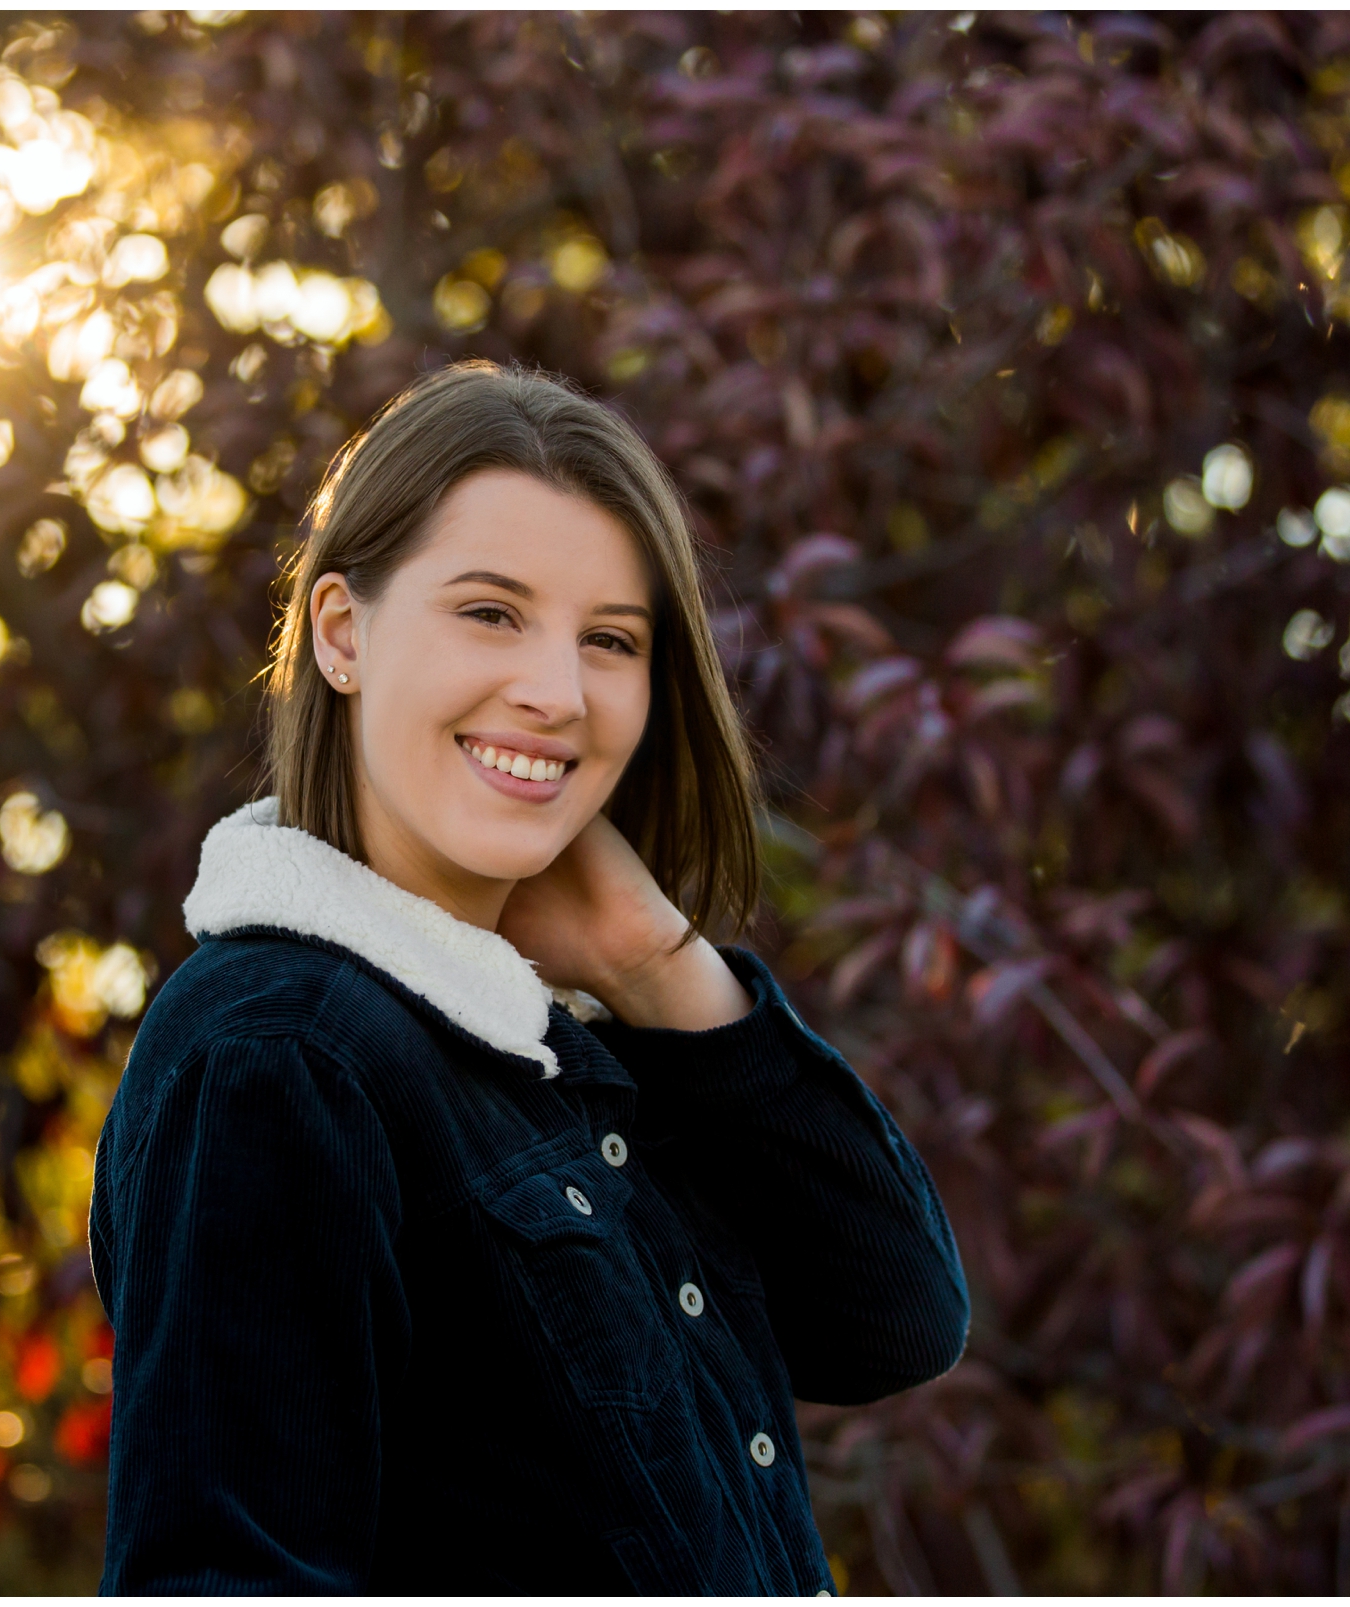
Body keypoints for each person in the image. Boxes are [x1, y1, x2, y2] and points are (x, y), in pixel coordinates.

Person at [89, 358, 969, 1594]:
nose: (556, 693)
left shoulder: (557, 1042)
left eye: (609, 640)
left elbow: (896, 1317)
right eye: (492, 612)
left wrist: (656, 962)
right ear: (343, 633)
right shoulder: (281, 1053)